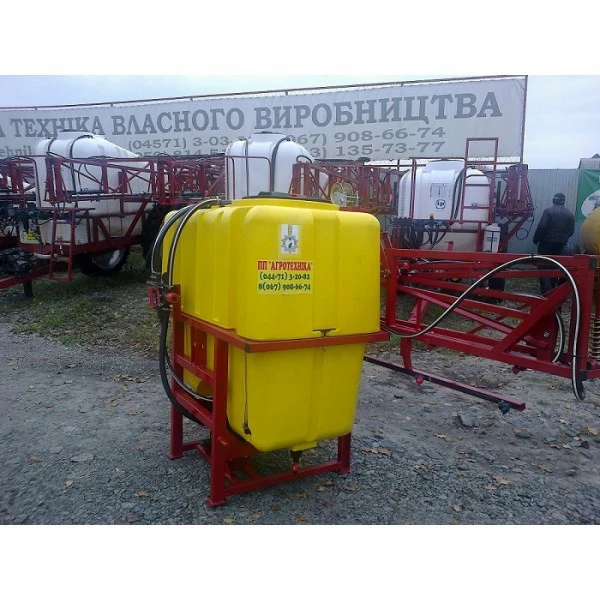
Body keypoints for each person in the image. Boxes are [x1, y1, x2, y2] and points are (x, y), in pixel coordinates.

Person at [532, 192, 575, 294]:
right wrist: (562, 239)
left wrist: (536, 240)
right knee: (555, 267)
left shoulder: (548, 211)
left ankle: (546, 293)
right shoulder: (570, 214)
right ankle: (553, 291)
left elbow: (542, 227)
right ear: (563, 202)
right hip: (561, 245)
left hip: (546, 245)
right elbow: (571, 232)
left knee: (543, 268)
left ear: (553, 201)